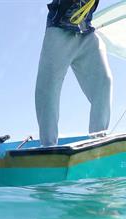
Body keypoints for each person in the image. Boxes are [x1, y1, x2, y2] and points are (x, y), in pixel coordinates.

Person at [35, 0, 113, 147]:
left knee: (105, 80)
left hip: (86, 31)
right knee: (48, 88)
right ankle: (48, 146)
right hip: (58, 29)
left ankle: (98, 142)